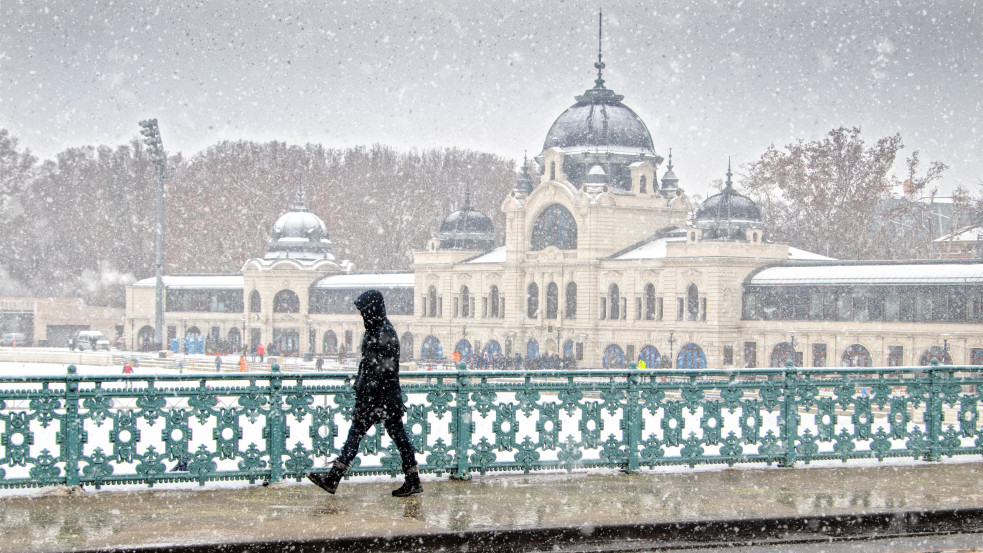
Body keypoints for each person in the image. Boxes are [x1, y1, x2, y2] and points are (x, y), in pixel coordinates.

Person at [307, 289, 421, 497]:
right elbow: (369, 367)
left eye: (363, 310)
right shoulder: (375, 329)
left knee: (363, 434)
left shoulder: (384, 333)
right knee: (396, 437)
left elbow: (383, 371)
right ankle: (412, 479)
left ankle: (334, 478)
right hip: (379, 397)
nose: (361, 315)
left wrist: (367, 395)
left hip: (380, 398)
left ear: (372, 310)